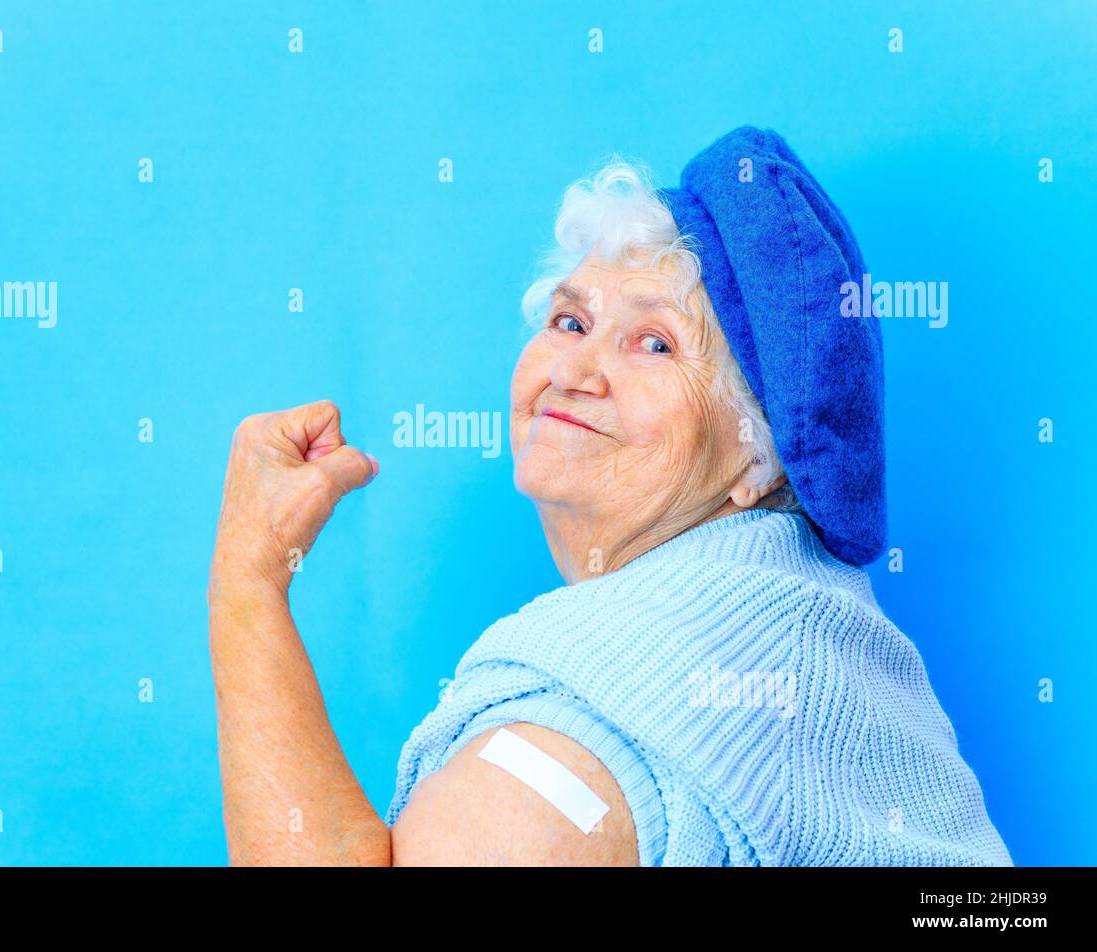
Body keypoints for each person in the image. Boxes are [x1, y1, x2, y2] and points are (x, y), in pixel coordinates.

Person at [206, 127, 1012, 866]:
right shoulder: (806, 631)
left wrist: (247, 578)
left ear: (761, 459)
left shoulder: (587, 738)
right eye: (568, 321)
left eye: (653, 343)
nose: (575, 371)